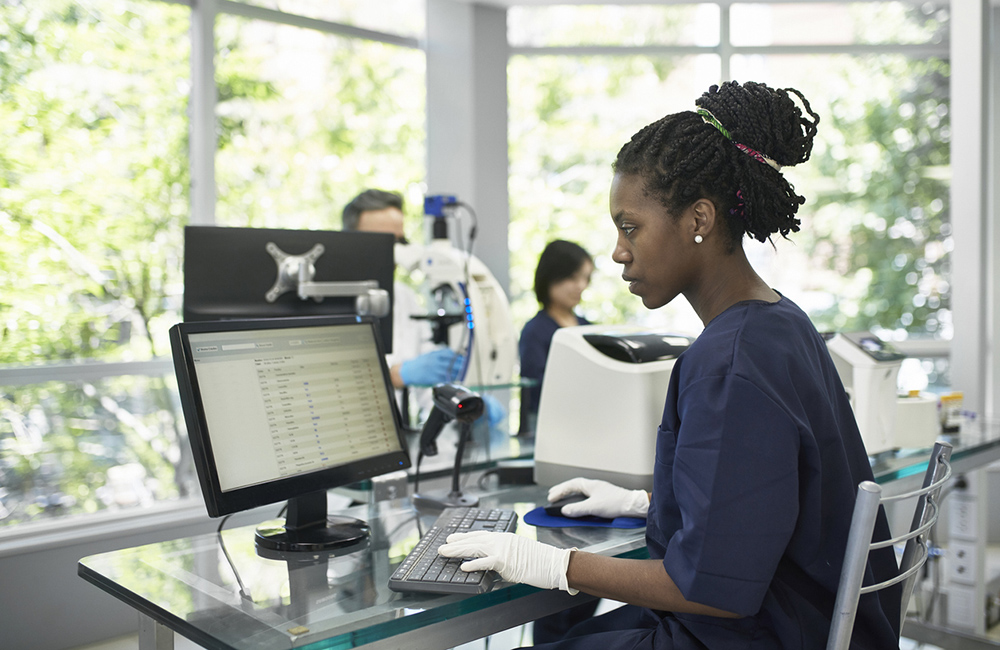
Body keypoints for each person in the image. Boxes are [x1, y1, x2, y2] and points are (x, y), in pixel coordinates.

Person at [439, 81, 901, 649]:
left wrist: (549, 564)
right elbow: (767, 498)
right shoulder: (782, 324)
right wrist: (645, 505)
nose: (617, 251)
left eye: (630, 226)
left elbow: (712, 590)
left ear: (698, 219)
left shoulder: (728, 362)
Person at [342, 189, 463, 392]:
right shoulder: (325, 299)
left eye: (399, 242)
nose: (393, 252)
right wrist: (396, 375)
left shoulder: (404, 296)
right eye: (382, 242)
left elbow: (427, 384)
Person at [518, 240, 594, 434]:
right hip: (548, 427)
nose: (581, 286)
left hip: (587, 424)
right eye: (573, 278)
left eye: (585, 278)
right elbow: (536, 389)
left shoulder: (589, 329)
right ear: (552, 276)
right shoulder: (535, 331)